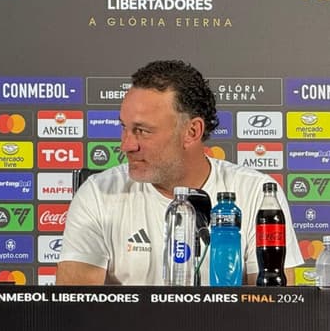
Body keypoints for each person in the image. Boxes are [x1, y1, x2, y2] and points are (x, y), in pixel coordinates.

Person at [57, 59, 302, 286]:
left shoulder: (258, 194)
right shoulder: (98, 193)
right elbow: (74, 310)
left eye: (142, 131)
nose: (127, 145)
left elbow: (275, 310)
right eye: (125, 128)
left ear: (192, 132)